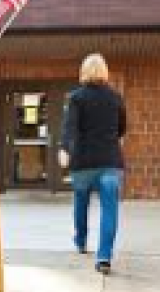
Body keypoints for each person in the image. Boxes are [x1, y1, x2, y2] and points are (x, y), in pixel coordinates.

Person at [60, 53, 127, 275]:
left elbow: (70, 127)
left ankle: (81, 240)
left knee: (81, 202)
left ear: (84, 72)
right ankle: (104, 256)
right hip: (110, 162)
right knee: (110, 209)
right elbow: (121, 129)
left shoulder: (76, 98)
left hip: (83, 162)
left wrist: (64, 149)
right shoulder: (116, 98)